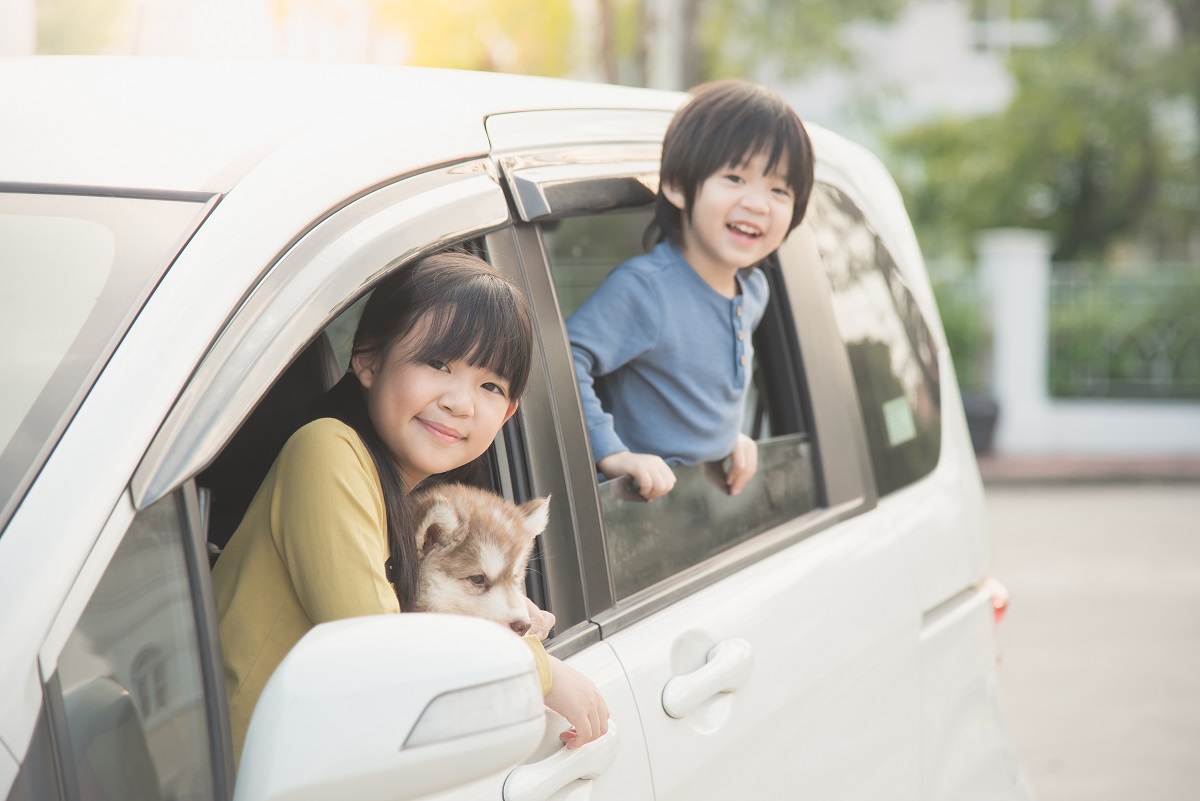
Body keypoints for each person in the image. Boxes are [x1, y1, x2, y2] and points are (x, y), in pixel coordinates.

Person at [212, 251, 608, 768]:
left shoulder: (405, 497)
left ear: (508, 413)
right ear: (368, 360)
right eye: (438, 363)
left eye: (490, 385)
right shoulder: (327, 451)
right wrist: (543, 671)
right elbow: (386, 656)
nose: (460, 402)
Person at [566, 79, 815, 501]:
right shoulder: (647, 290)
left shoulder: (753, 291)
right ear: (678, 185)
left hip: (698, 506)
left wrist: (726, 439)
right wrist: (614, 453)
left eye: (778, 189)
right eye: (735, 177)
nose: (758, 203)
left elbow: (695, 385)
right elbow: (564, 359)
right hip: (635, 509)